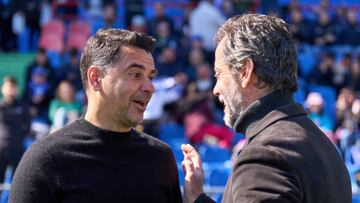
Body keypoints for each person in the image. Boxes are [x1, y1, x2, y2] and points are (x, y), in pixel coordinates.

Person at [181, 14, 351, 203]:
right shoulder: (324, 145)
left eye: (219, 74)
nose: (216, 89)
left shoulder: (264, 155)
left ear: (245, 71)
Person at [9, 29, 182, 203]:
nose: (150, 87)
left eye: (150, 77)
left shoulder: (160, 159)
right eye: (135, 74)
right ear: (95, 78)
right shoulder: (45, 159)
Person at [0, 77, 31, 188]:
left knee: (17, 184)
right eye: (8, 86)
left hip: (17, 148)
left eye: (13, 87)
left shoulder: (22, 106)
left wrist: (19, 137)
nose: (10, 89)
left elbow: (28, 125)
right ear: (2, 88)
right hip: (1, 149)